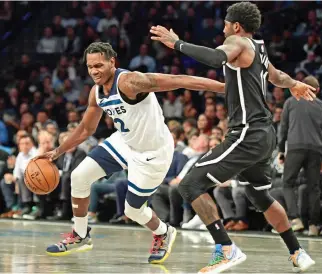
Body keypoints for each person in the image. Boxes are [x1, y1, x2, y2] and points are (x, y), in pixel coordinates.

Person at [150, 2, 316, 273]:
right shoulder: (259, 49)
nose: (223, 28)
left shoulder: (237, 43)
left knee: (190, 185)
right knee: (259, 196)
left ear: (236, 26)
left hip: (247, 133)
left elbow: (216, 59)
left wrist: (177, 43)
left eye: (226, 24)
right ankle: (297, 252)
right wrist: (294, 84)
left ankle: (226, 249)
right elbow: (277, 76)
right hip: (264, 135)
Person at [36, 42, 224, 264]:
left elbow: (179, 80)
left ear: (112, 62)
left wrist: (224, 88)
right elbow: (87, 129)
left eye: (98, 65)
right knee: (79, 176)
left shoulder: (131, 81)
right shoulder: (96, 93)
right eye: (89, 67)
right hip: (124, 142)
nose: (94, 71)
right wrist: (57, 152)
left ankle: (164, 231)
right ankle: (80, 235)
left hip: (153, 152)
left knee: (133, 210)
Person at [278, 75, 322, 236]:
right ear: (318, 90)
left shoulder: (290, 102)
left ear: (301, 86)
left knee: (287, 183)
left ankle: (295, 220)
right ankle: (314, 226)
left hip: (295, 147)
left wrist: (281, 149)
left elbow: (283, 128)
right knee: (314, 187)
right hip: (316, 150)